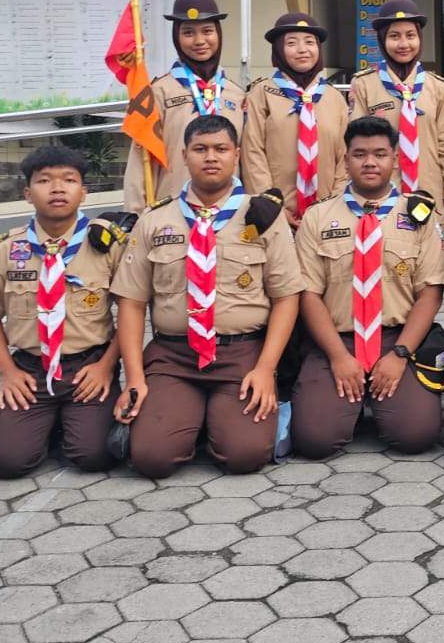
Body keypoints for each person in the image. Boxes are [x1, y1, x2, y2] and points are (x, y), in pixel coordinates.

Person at [111, 115, 302, 477]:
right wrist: (134, 378)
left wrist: (265, 369)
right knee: (152, 458)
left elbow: (286, 297)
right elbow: (132, 304)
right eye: (200, 149)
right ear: (184, 155)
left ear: (237, 154)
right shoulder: (156, 219)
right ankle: (188, 417)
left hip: (241, 355)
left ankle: (215, 419)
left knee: (244, 455)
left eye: (220, 149)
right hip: (173, 357)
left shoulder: (262, 216)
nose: (210, 157)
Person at [0, 145, 130, 478]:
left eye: (69, 180)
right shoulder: (5, 250)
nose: (57, 188)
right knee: (6, 463)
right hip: (31, 371)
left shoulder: (108, 245)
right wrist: (8, 373)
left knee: (94, 456)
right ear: (28, 193)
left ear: (83, 192)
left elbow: (131, 312)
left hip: (88, 368)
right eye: (44, 181)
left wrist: (106, 366)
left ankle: (59, 426)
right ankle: (33, 426)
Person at [291, 117, 444, 459]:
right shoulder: (318, 217)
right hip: (336, 340)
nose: (370, 162)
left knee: (415, 436)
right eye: (360, 154)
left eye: (380, 154)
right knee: (314, 440)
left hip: (397, 339)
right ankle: (347, 401)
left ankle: (379, 398)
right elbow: (308, 295)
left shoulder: (418, 216)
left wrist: (400, 355)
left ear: (395, 159)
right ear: (345, 160)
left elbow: (430, 293)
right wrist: (337, 357)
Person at [124, 0, 245, 213]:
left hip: (229, 211)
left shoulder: (236, 94)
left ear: (218, 34)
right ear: (176, 38)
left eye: (207, 31)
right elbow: (140, 160)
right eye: (188, 33)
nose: (199, 41)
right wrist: (135, 214)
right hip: (174, 212)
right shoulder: (158, 92)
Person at [349, 0, 444, 231]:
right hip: (380, 193)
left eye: (410, 35)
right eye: (394, 36)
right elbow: (355, 146)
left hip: (428, 192)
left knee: (427, 251)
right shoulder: (365, 84)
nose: (403, 43)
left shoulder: (436, 86)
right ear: (382, 40)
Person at [241, 12, 349, 227]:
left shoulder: (334, 97)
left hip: (328, 216)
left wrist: (334, 205)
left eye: (310, 42)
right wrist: (271, 206)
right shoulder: (261, 94)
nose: (302, 49)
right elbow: (252, 153)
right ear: (278, 50)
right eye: (291, 43)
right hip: (276, 214)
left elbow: (345, 157)